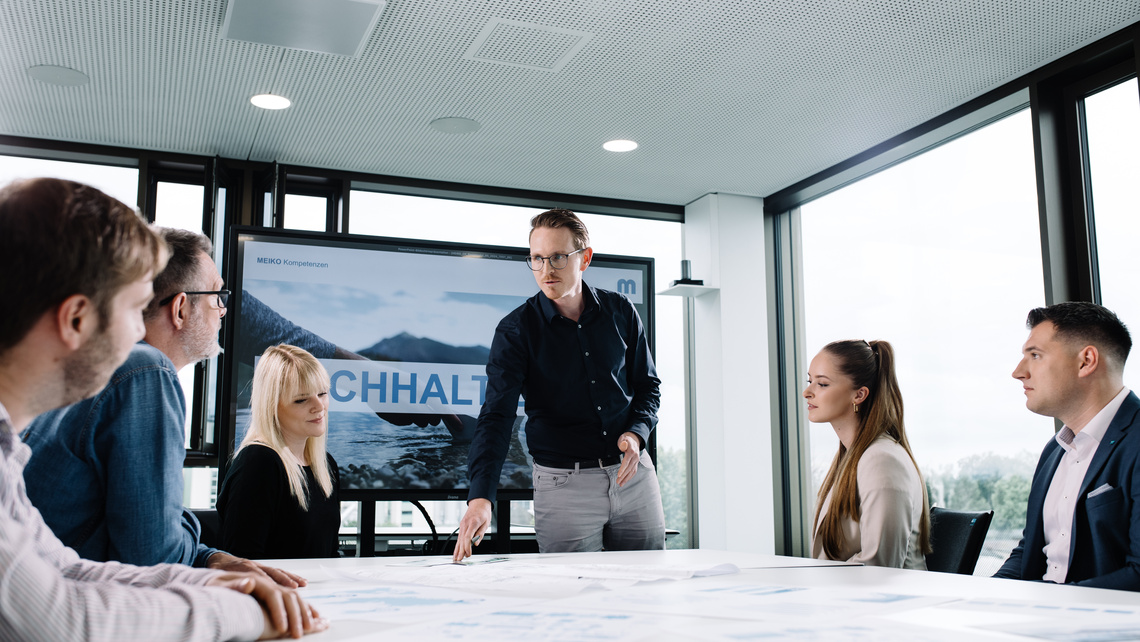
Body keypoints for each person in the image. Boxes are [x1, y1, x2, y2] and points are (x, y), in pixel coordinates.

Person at [0, 177, 324, 640]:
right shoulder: (144, 368)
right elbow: (63, 615)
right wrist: (246, 611)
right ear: (76, 319)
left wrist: (209, 575)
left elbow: (66, 569)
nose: (137, 330)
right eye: (133, 308)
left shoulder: (7, 450)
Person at [22, 227, 303, 587]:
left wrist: (206, 553)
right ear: (181, 308)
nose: (223, 310)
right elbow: (152, 555)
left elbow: (153, 525)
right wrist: (201, 550)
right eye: (217, 295)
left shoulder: (92, 365)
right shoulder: (143, 371)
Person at [454, 209, 664, 561]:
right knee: (571, 598)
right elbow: (496, 417)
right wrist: (480, 498)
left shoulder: (622, 311)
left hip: (635, 476)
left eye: (557, 257)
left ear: (585, 258)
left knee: (648, 587)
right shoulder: (515, 331)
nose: (546, 270)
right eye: (537, 259)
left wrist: (637, 433)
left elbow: (649, 387)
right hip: (565, 487)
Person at [995, 302, 1140, 590]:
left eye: (1035, 355)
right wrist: (984, 596)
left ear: (1086, 361)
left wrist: (1051, 605)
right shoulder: (1055, 449)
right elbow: (1030, 551)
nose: (1018, 372)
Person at [805, 339, 931, 569]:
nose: (807, 392)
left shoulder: (881, 460)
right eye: (809, 381)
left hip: (878, 600)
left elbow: (878, 565)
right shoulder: (854, 456)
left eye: (822, 384)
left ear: (859, 395)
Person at [217, 344, 341, 559]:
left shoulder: (326, 465)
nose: (319, 406)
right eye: (301, 399)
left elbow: (329, 554)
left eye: (322, 393)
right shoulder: (258, 463)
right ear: (272, 406)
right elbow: (241, 562)